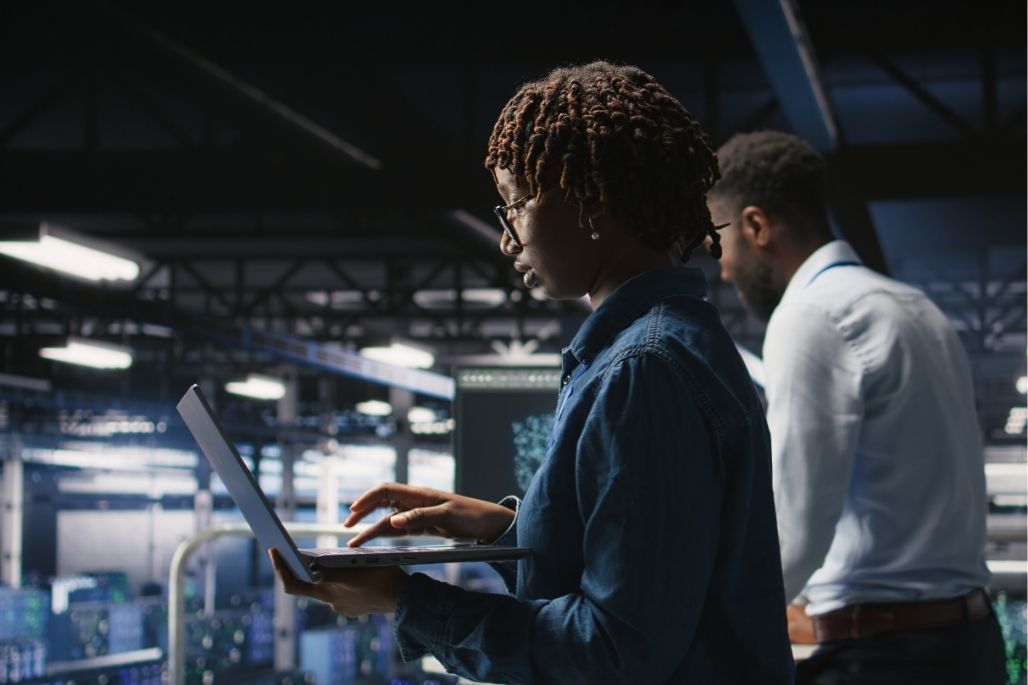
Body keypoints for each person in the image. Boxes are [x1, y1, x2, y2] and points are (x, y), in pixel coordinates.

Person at [269, 61, 794, 684]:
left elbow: (614, 652)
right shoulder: (650, 351)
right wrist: (500, 530)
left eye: (515, 202)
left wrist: (406, 601)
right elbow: (647, 573)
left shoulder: (642, 371)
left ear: (590, 197)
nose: (506, 239)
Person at [707, 130, 1006, 684]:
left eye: (719, 240)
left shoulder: (811, 316)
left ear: (755, 225)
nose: (722, 267)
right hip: (968, 643)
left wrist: (694, 625)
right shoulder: (915, 306)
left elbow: (789, 530)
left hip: (887, 657)